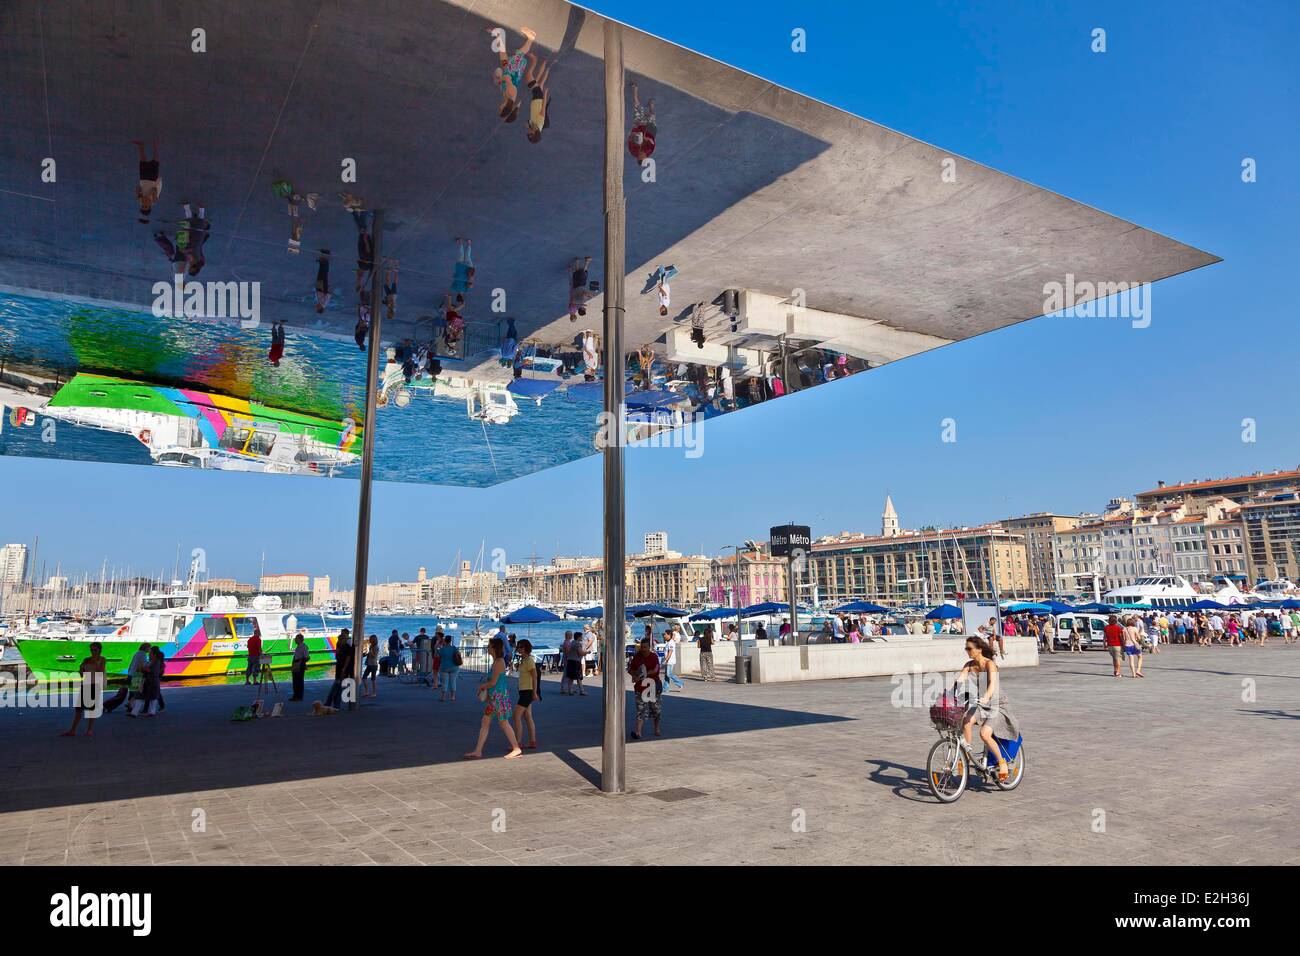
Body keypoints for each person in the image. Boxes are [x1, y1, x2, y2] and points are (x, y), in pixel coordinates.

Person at [958, 636, 1021, 781]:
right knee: (966, 721)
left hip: (996, 704)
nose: (967, 651)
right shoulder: (968, 665)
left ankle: (1002, 762)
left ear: (979, 649)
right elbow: (959, 681)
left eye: (969, 648)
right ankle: (966, 758)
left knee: (984, 733)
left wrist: (986, 696)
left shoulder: (989, 664)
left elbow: (992, 683)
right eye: (966, 648)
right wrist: (947, 695)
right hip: (980, 703)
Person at [465, 637, 523, 759]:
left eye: (489, 646)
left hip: (499, 698)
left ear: (494, 648)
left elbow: (493, 682)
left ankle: (516, 748)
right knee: (486, 721)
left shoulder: (499, 662)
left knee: (503, 722)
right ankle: (478, 750)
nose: (487, 648)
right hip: (494, 699)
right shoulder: (496, 661)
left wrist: (482, 686)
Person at [490, 26, 536, 122]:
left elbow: (503, 83)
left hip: (508, 69)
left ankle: (499, 36)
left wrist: (498, 81)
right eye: (500, 109)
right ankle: (531, 38)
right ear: (505, 108)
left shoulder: (507, 98)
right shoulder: (510, 94)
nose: (499, 107)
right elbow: (507, 79)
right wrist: (499, 79)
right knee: (519, 53)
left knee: (502, 54)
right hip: (512, 70)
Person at [62, 642, 107, 737]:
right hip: (86, 684)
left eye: (95, 650)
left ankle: (89, 730)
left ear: (99, 650)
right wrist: (81, 669)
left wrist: (95, 662)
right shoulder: (86, 660)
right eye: (91, 650)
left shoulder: (102, 659)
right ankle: (73, 730)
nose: (93, 652)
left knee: (91, 709)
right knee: (79, 709)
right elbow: (82, 674)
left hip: (95, 685)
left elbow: (100, 671)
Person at [627, 636, 662, 740]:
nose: (643, 649)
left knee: (656, 710)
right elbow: (631, 669)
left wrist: (645, 674)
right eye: (642, 647)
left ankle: (657, 728)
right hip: (640, 688)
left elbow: (656, 669)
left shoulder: (654, 656)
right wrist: (634, 675)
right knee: (641, 710)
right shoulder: (637, 657)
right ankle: (638, 732)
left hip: (652, 685)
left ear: (649, 647)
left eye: (645, 647)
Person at [511, 639, 540, 750]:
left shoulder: (529, 660)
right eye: (518, 647)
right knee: (527, 716)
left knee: (516, 716)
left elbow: (535, 676)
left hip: (528, 691)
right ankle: (532, 741)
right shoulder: (523, 660)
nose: (518, 648)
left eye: (521, 647)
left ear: (526, 648)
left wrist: (534, 692)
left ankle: (518, 743)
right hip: (523, 690)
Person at [523, 54, 553, 143]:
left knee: (541, 82)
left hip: (535, 98)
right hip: (538, 96)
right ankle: (535, 60)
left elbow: (527, 122)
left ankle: (547, 66)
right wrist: (545, 94)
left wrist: (528, 124)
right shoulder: (540, 123)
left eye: (528, 134)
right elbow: (543, 107)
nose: (528, 132)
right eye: (530, 134)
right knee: (529, 76)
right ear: (535, 133)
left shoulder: (533, 126)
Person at [627, 81, 656, 162]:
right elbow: (652, 141)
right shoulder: (649, 151)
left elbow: (629, 138)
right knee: (652, 114)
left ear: (638, 157)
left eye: (641, 155)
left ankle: (635, 87)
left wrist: (633, 135)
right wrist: (645, 138)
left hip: (638, 125)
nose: (643, 154)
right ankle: (651, 105)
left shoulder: (633, 151)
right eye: (644, 155)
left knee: (637, 105)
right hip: (649, 128)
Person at [132, 139, 161, 221]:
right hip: (152, 179)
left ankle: (141, 146)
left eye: (142, 206)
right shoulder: (154, 201)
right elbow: (154, 189)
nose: (143, 205)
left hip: (143, 179)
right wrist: (151, 194)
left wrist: (138, 191)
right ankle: (155, 147)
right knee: (155, 162)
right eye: (145, 207)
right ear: (149, 207)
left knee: (143, 162)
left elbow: (137, 189)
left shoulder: (140, 200)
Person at [324, 629, 353, 709]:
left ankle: (329, 702)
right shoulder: (339, 645)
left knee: (337, 686)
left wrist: (344, 669)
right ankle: (335, 704)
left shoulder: (347, 647)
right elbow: (337, 655)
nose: (339, 641)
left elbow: (347, 658)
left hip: (343, 668)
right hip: (339, 666)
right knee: (338, 687)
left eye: (341, 639)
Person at [437, 634, 461, 701]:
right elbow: (459, 654)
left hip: (444, 667)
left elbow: (438, 656)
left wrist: (437, 646)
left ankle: (443, 697)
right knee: (453, 681)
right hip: (454, 667)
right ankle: (453, 697)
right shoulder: (454, 648)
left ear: (445, 641)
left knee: (444, 682)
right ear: (450, 641)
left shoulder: (442, 649)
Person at [564, 628, 587, 696]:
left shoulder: (572, 643)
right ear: (578, 637)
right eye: (581, 637)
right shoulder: (578, 644)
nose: (582, 638)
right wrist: (586, 652)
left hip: (570, 661)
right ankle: (582, 690)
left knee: (571, 677)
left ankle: (570, 690)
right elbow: (580, 653)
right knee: (578, 677)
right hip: (576, 662)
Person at [662, 627, 684, 693]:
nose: (664, 635)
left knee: (669, 674)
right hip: (668, 661)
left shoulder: (671, 642)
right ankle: (665, 688)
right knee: (666, 675)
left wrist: (666, 660)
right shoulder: (668, 642)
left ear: (669, 635)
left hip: (670, 661)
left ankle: (680, 683)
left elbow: (670, 652)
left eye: (665, 634)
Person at [290, 633, 310, 701]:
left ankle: (299, 696)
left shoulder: (304, 647)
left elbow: (307, 657)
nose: (295, 640)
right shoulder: (298, 646)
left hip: (300, 665)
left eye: (296, 638)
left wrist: (301, 661)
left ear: (300, 639)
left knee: (299, 681)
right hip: (296, 664)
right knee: (295, 681)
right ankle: (295, 695)